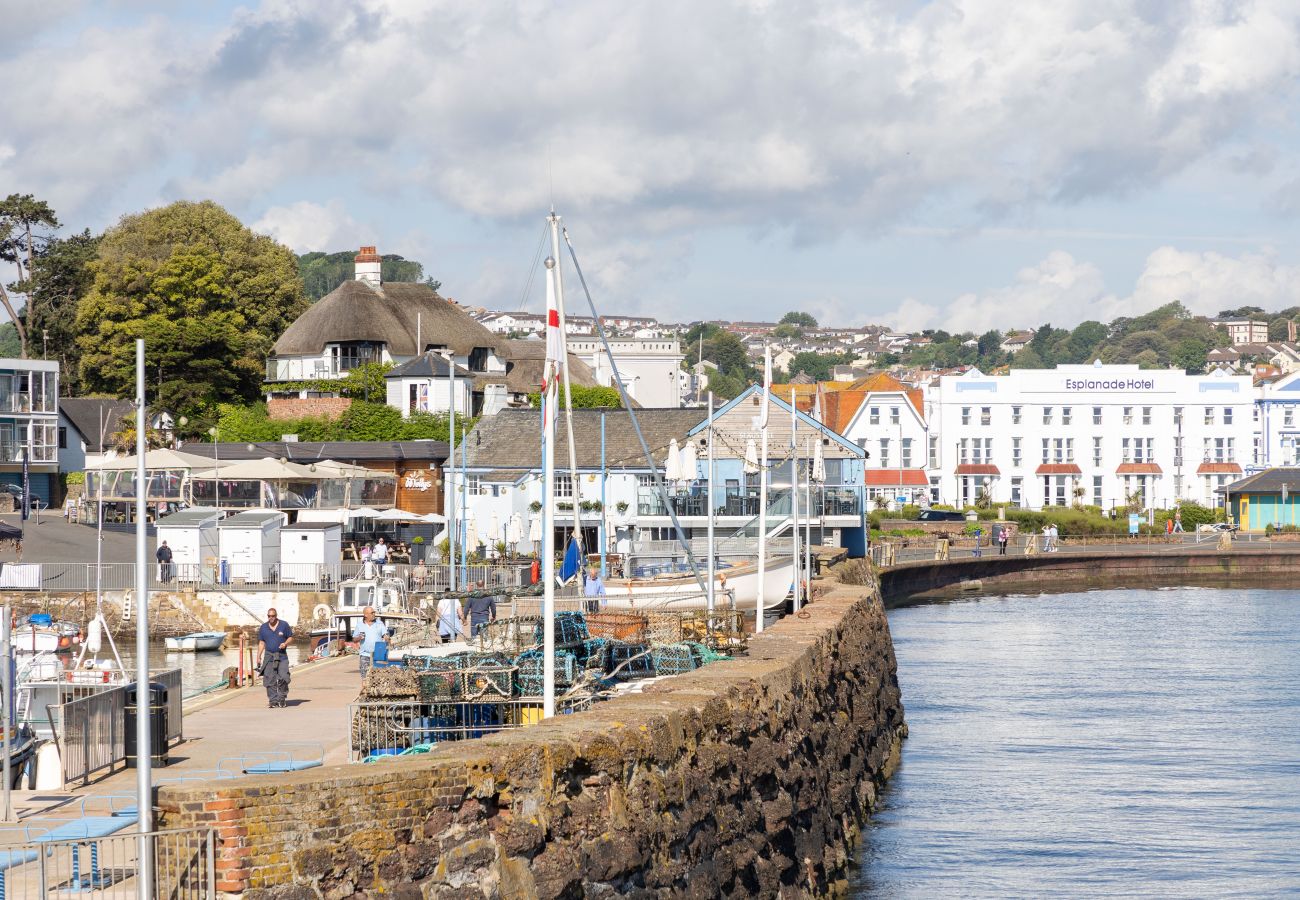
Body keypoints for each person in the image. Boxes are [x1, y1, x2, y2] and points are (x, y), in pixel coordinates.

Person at [257, 608, 293, 708]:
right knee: (269, 678)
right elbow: (261, 642)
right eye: (269, 616)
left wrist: (285, 644)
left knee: (284, 677)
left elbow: (290, 637)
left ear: (276, 616)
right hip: (269, 656)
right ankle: (273, 700)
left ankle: (282, 699)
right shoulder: (263, 627)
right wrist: (258, 656)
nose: (271, 618)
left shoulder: (284, 625)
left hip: (282, 655)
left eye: (273, 616)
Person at [352, 605, 388, 676]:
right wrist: (359, 637)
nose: (374, 614)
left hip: (378, 654)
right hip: (365, 655)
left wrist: (387, 637)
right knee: (365, 677)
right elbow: (354, 639)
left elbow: (385, 634)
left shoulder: (379, 623)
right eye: (372, 613)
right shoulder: (360, 625)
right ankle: (365, 687)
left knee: (378, 676)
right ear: (366, 615)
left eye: (374, 612)